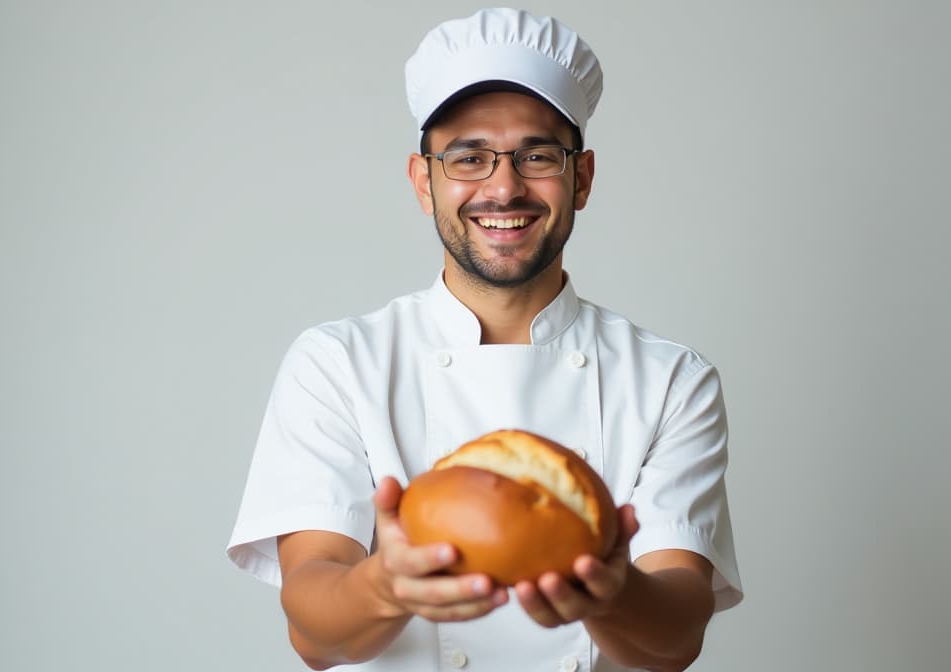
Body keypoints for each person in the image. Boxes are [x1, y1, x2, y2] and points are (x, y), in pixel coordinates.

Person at [227, 8, 742, 671]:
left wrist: (613, 596)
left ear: (580, 178)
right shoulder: (338, 365)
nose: (503, 186)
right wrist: (384, 585)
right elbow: (314, 632)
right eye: (469, 157)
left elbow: (674, 641)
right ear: (424, 181)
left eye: (537, 155)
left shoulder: (671, 379)